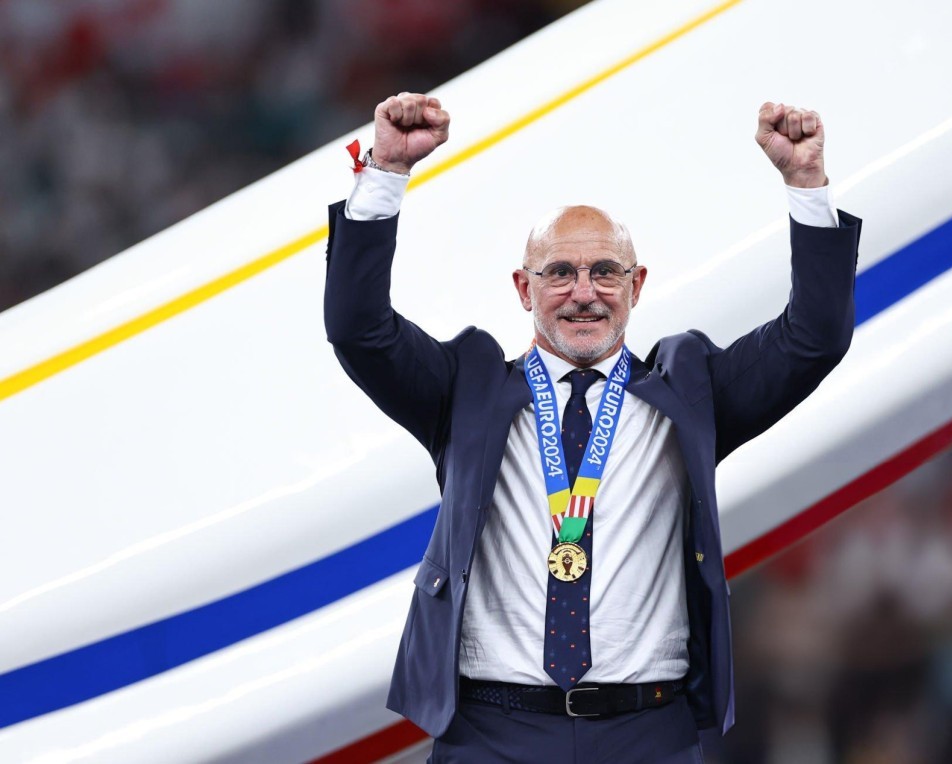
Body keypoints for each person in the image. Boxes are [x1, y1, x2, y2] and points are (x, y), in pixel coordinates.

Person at [324, 91, 860, 762]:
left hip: (647, 735)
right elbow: (359, 330)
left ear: (637, 285)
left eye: (605, 271)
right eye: (560, 273)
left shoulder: (691, 392)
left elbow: (813, 338)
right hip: (492, 736)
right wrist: (385, 173)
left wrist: (806, 184)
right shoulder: (467, 391)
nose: (584, 292)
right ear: (524, 289)